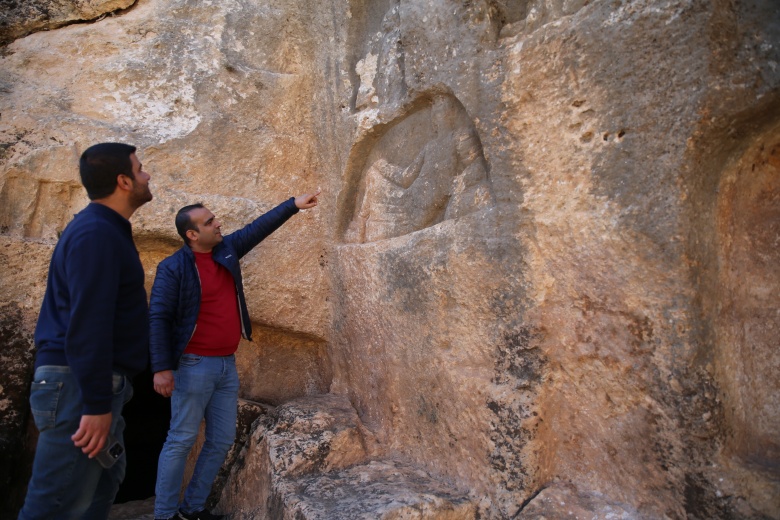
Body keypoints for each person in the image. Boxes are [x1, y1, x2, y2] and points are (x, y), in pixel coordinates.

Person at [149, 191, 320, 520]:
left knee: (222, 438)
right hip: (192, 365)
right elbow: (158, 317)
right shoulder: (173, 268)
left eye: (214, 218)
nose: (218, 223)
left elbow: (257, 229)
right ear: (192, 234)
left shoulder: (225, 250)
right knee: (181, 440)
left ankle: (192, 508)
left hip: (227, 364)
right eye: (209, 221)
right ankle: (165, 515)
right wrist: (161, 368)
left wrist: (292, 205)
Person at [18, 142, 153, 520]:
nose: (147, 175)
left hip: (89, 387)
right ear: (123, 181)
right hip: (78, 388)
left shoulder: (104, 229)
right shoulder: (96, 234)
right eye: (140, 170)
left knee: (99, 490)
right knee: (54, 504)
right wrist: (95, 405)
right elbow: (88, 322)